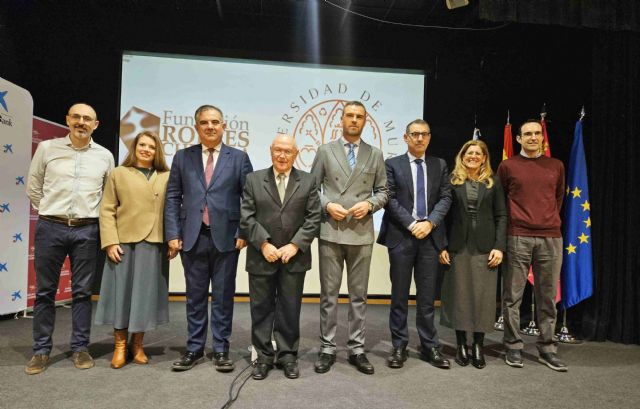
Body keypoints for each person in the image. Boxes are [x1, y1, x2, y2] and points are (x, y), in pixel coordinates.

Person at [25, 103, 114, 374]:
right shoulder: (47, 149)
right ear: (67, 119)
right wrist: (52, 212)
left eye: (87, 118)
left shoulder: (105, 156)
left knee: (83, 293)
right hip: (50, 227)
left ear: (96, 124)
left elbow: (108, 196)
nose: (81, 122)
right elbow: (33, 186)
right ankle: (41, 351)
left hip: (87, 230)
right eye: (76, 117)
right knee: (44, 293)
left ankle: (80, 348)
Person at [165, 105, 253, 372]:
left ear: (224, 125)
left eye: (215, 122)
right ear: (197, 127)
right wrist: (172, 233)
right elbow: (172, 197)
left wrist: (243, 232)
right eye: (204, 122)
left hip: (227, 238)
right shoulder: (182, 157)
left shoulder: (238, 157)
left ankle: (221, 349)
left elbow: (249, 199)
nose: (210, 126)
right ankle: (193, 348)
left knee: (224, 296)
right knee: (195, 297)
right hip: (191, 237)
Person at [310, 100, 388, 375]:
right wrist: (327, 205)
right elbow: (312, 188)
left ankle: (357, 349)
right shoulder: (325, 151)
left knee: (359, 296)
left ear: (365, 121)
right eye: (349, 116)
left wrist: (370, 205)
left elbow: (383, 191)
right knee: (328, 295)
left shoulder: (375, 154)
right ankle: (327, 348)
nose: (354, 120)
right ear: (340, 120)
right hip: (331, 231)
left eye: (359, 117)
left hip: (361, 232)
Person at [240, 134, 321, 380]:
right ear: (270, 151)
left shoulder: (308, 181)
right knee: (261, 308)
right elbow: (246, 215)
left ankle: (287, 356)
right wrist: (263, 243)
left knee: (289, 308)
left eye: (287, 151)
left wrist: (295, 245)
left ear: (296, 154)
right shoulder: (253, 180)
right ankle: (263, 357)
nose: (282, 155)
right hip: (261, 255)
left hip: (293, 258)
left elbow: (314, 217)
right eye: (278, 150)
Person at [377, 119, 452, 370]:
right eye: (415, 134)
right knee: (399, 296)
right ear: (406, 137)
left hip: (430, 239)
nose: (420, 138)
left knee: (427, 298)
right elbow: (390, 198)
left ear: (429, 137)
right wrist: (412, 224)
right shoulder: (392, 164)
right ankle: (399, 346)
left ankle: (430, 346)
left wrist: (429, 223)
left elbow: (445, 197)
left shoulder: (439, 164)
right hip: (401, 236)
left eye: (424, 134)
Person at [94, 131, 171, 369]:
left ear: (157, 150)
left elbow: (174, 210)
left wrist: (172, 240)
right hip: (124, 242)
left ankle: (137, 345)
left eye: (151, 146)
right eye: (142, 145)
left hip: (154, 242)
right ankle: (119, 346)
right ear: (134, 148)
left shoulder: (167, 176)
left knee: (144, 297)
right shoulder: (118, 173)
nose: (147, 149)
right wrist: (110, 241)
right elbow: (107, 209)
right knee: (122, 294)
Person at [497, 119, 567, 372]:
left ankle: (547, 348)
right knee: (512, 296)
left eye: (537, 133)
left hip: (551, 237)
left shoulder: (556, 165)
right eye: (527, 134)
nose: (533, 138)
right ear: (518, 139)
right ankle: (513, 347)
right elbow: (501, 201)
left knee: (547, 297)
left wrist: (545, 221)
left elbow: (558, 198)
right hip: (518, 235)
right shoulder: (508, 166)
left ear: (542, 138)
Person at [438, 139, 507, 369]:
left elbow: (501, 216)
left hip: (485, 248)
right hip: (458, 247)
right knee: (460, 296)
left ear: (484, 157)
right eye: (469, 153)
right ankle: (460, 344)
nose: (473, 156)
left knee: (483, 297)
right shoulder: (451, 181)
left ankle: (478, 344)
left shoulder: (493, 182)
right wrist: (442, 246)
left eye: (478, 153)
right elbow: (443, 218)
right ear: (462, 155)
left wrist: (499, 246)